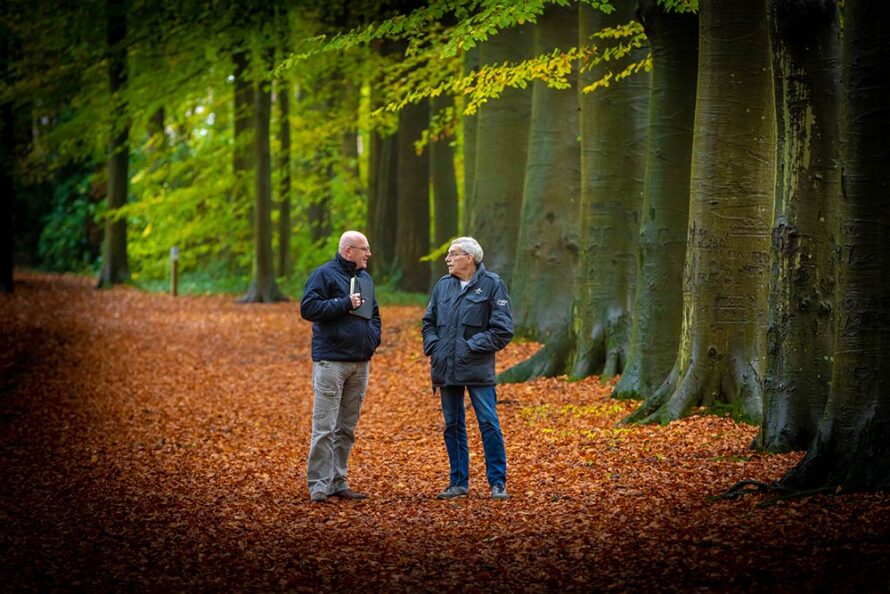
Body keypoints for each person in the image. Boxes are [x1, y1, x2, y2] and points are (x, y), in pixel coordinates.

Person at [421, 237, 514, 500]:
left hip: (477, 369)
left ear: (469, 258)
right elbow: (428, 322)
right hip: (446, 369)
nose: (447, 259)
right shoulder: (442, 287)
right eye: (448, 254)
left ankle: (497, 482)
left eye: (453, 254)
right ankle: (458, 482)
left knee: (488, 423)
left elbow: (503, 330)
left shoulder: (492, 285)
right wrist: (434, 347)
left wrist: (469, 347)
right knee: (453, 425)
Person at [301, 231, 381, 503]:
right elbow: (308, 308)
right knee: (324, 426)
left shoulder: (365, 279)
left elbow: (375, 314)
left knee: (346, 428)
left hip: (360, 363)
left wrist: (372, 340)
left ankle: (338, 481)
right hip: (331, 362)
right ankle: (319, 485)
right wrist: (344, 303)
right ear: (349, 251)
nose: (368, 254)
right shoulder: (323, 275)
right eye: (364, 249)